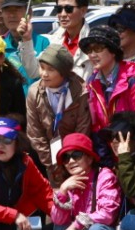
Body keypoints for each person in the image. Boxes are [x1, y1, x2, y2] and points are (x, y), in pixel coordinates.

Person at [50, 133, 131, 230]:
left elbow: (108, 214)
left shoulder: (104, 176)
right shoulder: (69, 182)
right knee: (59, 228)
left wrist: (77, 224)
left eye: (76, 155)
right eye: (66, 158)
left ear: (90, 158)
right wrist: (62, 192)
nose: (71, 161)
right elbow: (57, 219)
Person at [80, 26, 135, 164]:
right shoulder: (92, 83)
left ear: (113, 51)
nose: (92, 55)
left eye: (98, 48)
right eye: (89, 50)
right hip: (111, 156)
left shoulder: (133, 79)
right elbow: (97, 126)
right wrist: (107, 163)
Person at [25, 44, 91, 188]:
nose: (44, 74)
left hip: (77, 157)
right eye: (42, 67)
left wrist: (71, 159)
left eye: (51, 69)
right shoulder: (34, 92)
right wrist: (52, 164)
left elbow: (83, 129)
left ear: (63, 72)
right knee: (58, 193)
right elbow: (35, 134)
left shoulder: (81, 92)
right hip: (48, 157)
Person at [0, 0, 52, 90]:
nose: (12, 15)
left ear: (29, 13)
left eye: (17, 9)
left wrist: (26, 39)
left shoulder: (44, 43)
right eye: (7, 10)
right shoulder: (0, 46)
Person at [49, 0, 91, 79]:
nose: (63, 14)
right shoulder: (53, 40)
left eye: (68, 9)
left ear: (83, 11)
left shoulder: (93, 44)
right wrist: (26, 40)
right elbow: (34, 72)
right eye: (59, 9)